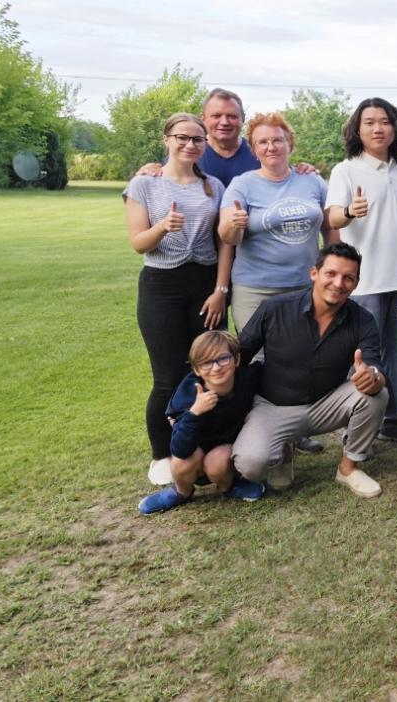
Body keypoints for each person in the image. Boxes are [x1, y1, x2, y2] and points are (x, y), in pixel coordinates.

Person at [124, 112, 232, 487]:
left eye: (197, 139)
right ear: (167, 140)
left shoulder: (214, 186)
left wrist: (220, 291)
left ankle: (207, 445)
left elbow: (224, 243)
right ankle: (162, 454)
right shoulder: (144, 184)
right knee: (168, 376)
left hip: (205, 285)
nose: (190, 145)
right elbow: (138, 243)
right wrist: (162, 227)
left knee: (211, 369)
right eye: (182, 137)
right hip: (161, 286)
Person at [232, 243, 388, 498]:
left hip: (326, 403)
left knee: (376, 395)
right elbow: (240, 355)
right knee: (250, 465)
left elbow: (374, 367)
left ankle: (348, 468)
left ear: (356, 284)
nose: (338, 283)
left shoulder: (362, 319)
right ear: (314, 273)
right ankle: (284, 450)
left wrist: (372, 377)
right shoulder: (275, 309)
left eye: (348, 278)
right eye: (331, 274)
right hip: (274, 406)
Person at [219, 111, 333, 455]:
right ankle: (264, 438)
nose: (271, 147)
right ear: (254, 149)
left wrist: (333, 265)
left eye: (278, 140)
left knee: (299, 359)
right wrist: (234, 223)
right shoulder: (242, 184)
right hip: (256, 289)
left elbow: (329, 226)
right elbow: (226, 236)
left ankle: (295, 431)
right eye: (263, 142)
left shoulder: (311, 181)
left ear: (290, 144)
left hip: (303, 287)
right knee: (257, 363)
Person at [326, 98, 397, 444]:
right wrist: (349, 211)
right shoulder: (346, 170)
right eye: (369, 122)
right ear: (358, 129)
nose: (378, 128)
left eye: (384, 121)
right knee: (364, 358)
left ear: (395, 128)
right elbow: (333, 217)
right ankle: (357, 429)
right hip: (364, 282)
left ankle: (395, 421)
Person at [137, 331, 267, 514]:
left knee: (218, 460)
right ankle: (181, 491)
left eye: (223, 358)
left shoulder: (247, 378)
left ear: (236, 359)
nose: (216, 368)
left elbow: (273, 369)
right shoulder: (187, 394)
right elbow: (179, 449)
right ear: (196, 369)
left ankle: (228, 485)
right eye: (206, 363)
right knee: (181, 462)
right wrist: (195, 412)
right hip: (193, 454)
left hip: (224, 453)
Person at [135, 88, 318, 188]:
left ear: (242, 119)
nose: (224, 122)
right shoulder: (188, 154)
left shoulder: (259, 153)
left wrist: (302, 170)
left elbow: (283, 175)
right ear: (203, 119)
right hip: (201, 244)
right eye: (216, 116)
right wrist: (149, 170)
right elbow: (161, 180)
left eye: (232, 116)